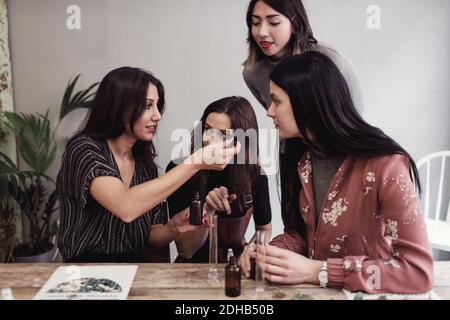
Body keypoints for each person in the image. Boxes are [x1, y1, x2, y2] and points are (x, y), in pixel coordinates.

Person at [240, 52, 433, 294]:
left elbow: (417, 272)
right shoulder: (300, 160)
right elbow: (303, 235)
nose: (269, 111)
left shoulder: (386, 165)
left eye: (276, 101)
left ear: (307, 102)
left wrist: (316, 271)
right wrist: (269, 253)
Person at [56, 67, 240, 262]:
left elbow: (150, 238)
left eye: (157, 105)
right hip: (85, 272)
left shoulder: (145, 165)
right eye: (147, 106)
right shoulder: (84, 150)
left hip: (135, 271)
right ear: (118, 107)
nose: (158, 115)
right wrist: (196, 163)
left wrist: (174, 227)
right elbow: (125, 206)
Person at [166, 96, 272, 262]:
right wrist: (207, 210)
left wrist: (248, 256)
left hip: (235, 268)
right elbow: (185, 250)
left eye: (223, 134)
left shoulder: (256, 176)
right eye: (207, 129)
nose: (210, 140)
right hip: (191, 272)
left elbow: (264, 229)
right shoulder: (179, 170)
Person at [242, 0, 364, 114]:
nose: (262, 32)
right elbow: (279, 119)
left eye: (274, 22)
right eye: (255, 23)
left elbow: (355, 118)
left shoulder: (331, 59)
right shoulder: (252, 74)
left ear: (295, 24)